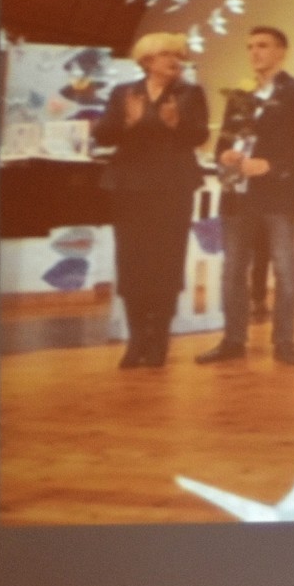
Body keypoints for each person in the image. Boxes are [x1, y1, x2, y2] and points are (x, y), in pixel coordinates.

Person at [196, 26, 294, 367]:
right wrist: (225, 155)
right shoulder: (241, 93)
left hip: (278, 193)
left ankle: (284, 341)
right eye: (250, 46)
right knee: (233, 270)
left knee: (284, 268)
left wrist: (270, 165)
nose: (255, 52)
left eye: (263, 46)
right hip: (239, 193)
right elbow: (224, 142)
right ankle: (233, 340)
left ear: (281, 51)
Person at [90, 31, 209, 369]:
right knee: (132, 262)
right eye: (167, 55)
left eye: (178, 56)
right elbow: (103, 134)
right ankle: (136, 340)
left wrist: (176, 124)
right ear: (147, 61)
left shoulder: (190, 93)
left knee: (166, 262)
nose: (175, 61)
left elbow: (199, 135)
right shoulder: (123, 92)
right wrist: (127, 122)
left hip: (172, 187)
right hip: (130, 187)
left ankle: (158, 341)